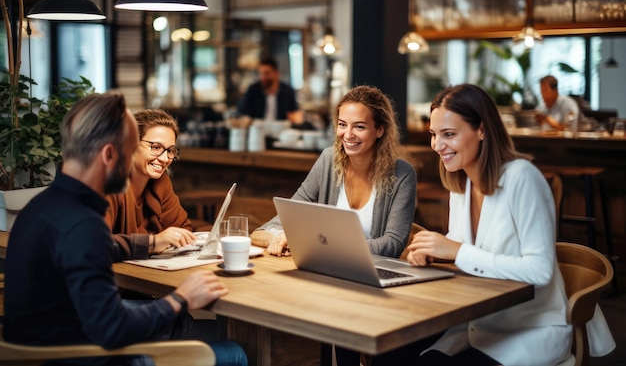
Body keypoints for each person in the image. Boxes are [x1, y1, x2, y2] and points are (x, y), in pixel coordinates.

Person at [3, 93, 248, 366]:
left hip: (47, 348)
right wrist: (181, 298)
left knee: (179, 324)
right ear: (110, 154)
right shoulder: (84, 223)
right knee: (236, 353)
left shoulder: (40, 206)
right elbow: (112, 328)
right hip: (79, 358)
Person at [401, 84, 614, 365]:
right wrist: (434, 253)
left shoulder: (521, 178)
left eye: (449, 134)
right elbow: (462, 246)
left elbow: (539, 271)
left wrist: (456, 251)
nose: (437, 145)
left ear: (482, 130)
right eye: (434, 134)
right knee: (391, 354)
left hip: (529, 329)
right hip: (478, 321)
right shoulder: (461, 182)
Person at [251, 85, 416, 260]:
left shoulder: (402, 174)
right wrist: (280, 238)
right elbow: (269, 228)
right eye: (342, 125)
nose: (348, 134)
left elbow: (393, 244)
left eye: (359, 127)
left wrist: (317, 244)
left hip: (374, 274)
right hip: (328, 268)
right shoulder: (329, 160)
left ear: (380, 130)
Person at [105, 108, 196, 259]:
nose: (165, 158)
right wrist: (153, 243)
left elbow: (182, 230)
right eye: (156, 147)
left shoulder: (160, 183)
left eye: (170, 151)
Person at [237, 57, 303, 124]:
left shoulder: (287, 91)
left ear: (277, 74)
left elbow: (295, 114)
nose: (263, 77)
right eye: (261, 73)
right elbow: (242, 112)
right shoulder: (253, 90)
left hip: (281, 131)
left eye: (266, 73)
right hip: (257, 130)